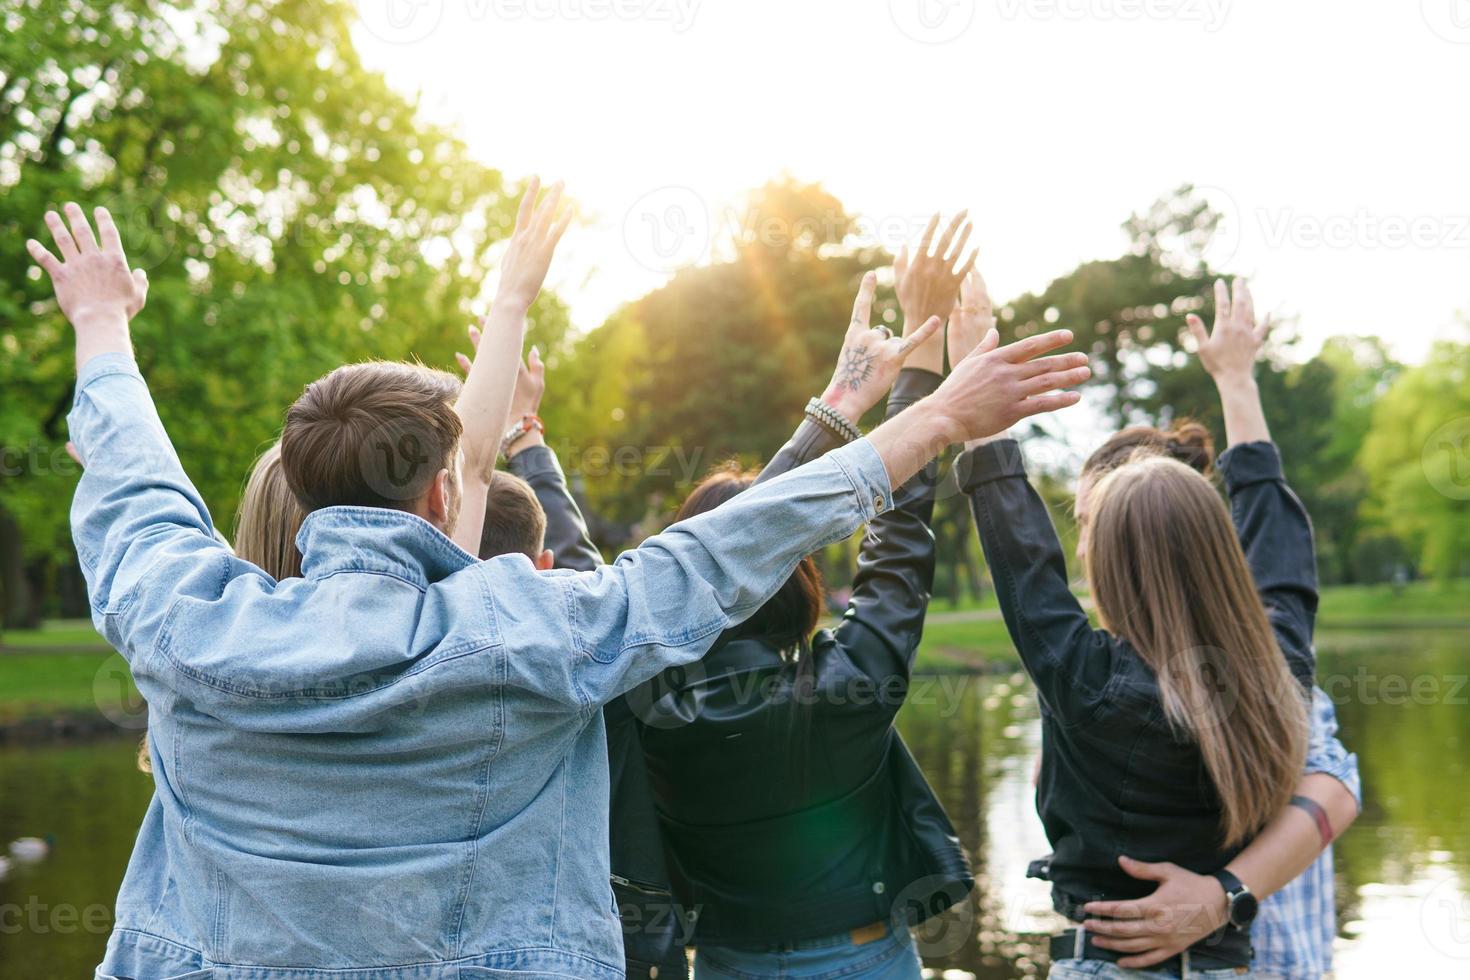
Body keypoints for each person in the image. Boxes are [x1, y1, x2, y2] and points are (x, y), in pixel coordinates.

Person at [29, 198, 1088, 978]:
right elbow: (722, 553)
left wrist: (101, 324)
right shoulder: (527, 629)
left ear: (297, 495)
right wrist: (933, 417)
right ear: (448, 487)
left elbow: (133, 478)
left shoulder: (186, 617)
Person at [953, 273, 1349, 979]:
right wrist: (1236, 380)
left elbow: (1022, 562)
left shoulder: (1091, 684)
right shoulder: (1278, 663)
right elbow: (1277, 538)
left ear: (1103, 563)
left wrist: (974, 390)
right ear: (1222, 549)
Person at [628, 216, 988, 980]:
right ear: (802, 587)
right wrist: (916, 375)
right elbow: (900, 547)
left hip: (726, 965)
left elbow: (706, 563)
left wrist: (837, 411)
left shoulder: (646, 698)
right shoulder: (851, 685)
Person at [1072, 424, 1362, 980]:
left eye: (1091, 524)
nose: (1084, 547)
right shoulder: (1098, 674)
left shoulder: (1252, 663)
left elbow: (1336, 786)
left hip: (1266, 959)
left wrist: (1221, 896)